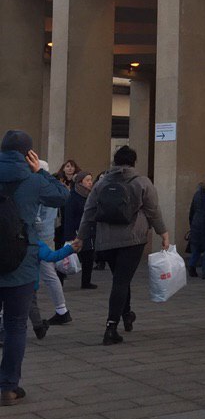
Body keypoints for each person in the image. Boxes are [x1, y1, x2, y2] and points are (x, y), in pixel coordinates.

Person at [0, 130, 69, 405]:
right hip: (22, 262)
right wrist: (40, 170)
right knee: (16, 325)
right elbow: (63, 195)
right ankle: (7, 387)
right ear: (29, 153)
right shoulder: (33, 179)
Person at [77, 145, 169, 345]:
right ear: (133, 162)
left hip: (106, 239)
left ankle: (127, 314)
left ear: (115, 161)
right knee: (121, 280)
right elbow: (153, 211)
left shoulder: (101, 183)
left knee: (120, 278)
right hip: (133, 238)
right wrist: (163, 233)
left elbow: (89, 211)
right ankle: (111, 327)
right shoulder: (142, 182)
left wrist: (81, 237)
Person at [34, 160, 72, 326]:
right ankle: (61, 309)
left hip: (38, 235)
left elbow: (36, 217)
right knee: (49, 273)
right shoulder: (51, 188)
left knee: (45, 273)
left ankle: (61, 310)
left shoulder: (39, 189)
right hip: (48, 233)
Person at [62, 170, 97, 289]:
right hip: (76, 231)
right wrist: (69, 235)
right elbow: (69, 217)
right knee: (68, 255)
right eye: (87, 180)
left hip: (88, 230)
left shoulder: (91, 195)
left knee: (89, 256)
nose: (90, 182)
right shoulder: (72, 196)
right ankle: (60, 278)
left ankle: (86, 282)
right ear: (80, 182)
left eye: (91, 180)